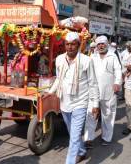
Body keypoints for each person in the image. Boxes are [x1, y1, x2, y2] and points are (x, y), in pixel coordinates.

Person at [43, 32, 100, 164]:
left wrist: (95, 104)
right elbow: (59, 79)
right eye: (67, 44)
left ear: (78, 45)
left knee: (74, 137)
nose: (70, 47)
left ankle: (70, 161)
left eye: (73, 44)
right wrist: (50, 92)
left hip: (80, 102)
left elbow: (93, 83)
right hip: (64, 102)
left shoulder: (87, 60)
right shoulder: (59, 59)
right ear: (64, 45)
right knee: (72, 133)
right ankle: (81, 151)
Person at [84, 36, 122, 147]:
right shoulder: (92, 57)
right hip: (93, 92)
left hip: (109, 91)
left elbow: (118, 70)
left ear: (107, 45)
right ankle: (88, 139)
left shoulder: (112, 56)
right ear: (96, 46)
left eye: (103, 44)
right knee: (91, 115)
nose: (101, 46)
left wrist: (117, 83)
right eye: (99, 44)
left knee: (108, 115)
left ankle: (106, 138)